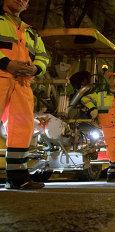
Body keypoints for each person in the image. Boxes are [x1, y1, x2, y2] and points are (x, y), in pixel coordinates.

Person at [0, 0, 50, 189]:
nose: (22, 0)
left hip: (23, 82)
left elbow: (43, 56)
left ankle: (17, 177)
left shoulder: (31, 32)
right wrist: (6, 63)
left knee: (22, 127)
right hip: (1, 75)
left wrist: (36, 69)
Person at [81, 72, 115, 182]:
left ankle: (112, 173)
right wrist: (92, 109)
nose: (112, 81)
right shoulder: (100, 95)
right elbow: (85, 99)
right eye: (111, 79)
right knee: (111, 149)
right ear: (108, 82)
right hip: (107, 126)